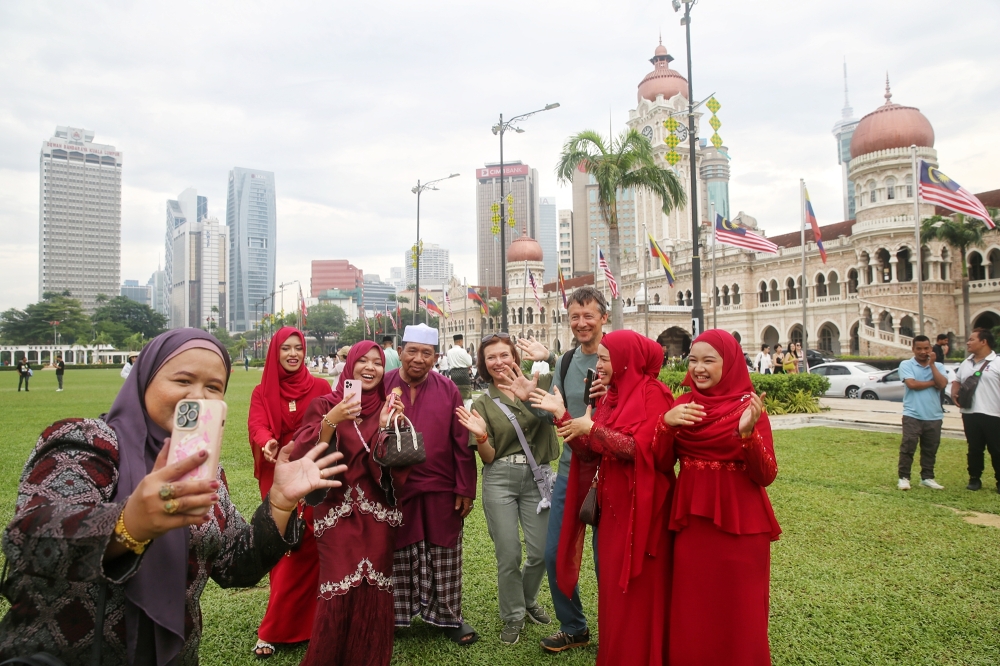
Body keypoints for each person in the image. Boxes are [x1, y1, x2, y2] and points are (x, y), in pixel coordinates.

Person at [0, 329, 347, 665]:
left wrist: (279, 504)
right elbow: (30, 538)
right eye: (183, 381)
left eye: (214, 387)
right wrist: (129, 523)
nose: (199, 396)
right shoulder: (89, 442)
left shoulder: (205, 473)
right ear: (144, 379)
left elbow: (237, 567)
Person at [533, 330, 674, 666]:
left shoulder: (655, 395)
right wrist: (562, 416)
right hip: (612, 504)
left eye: (605, 358)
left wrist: (592, 429)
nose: (599, 364)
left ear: (627, 360)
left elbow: (645, 450)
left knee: (638, 588)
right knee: (613, 587)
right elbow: (590, 451)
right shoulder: (610, 396)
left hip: (643, 505)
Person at [656, 329, 780, 665]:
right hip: (693, 524)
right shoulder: (682, 406)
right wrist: (665, 425)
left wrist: (747, 434)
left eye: (709, 360)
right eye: (693, 360)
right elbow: (663, 463)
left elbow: (766, 474)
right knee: (694, 605)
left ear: (731, 363)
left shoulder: (749, 408)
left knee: (740, 608)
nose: (698, 368)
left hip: (742, 525)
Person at [291, 340, 409, 666]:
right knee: (337, 584)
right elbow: (304, 456)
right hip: (335, 511)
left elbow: (394, 467)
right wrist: (332, 419)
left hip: (378, 515)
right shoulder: (324, 404)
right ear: (350, 365)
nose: (370, 368)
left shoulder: (388, 406)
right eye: (363, 361)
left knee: (374, 589)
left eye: (378, 362)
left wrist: (387, 426)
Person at [518, 286, 607, 653]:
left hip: (609, 472)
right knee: (554, 553)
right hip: (571, 469)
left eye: (589, 315)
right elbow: (553, 410)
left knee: (608, 563)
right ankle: (574, 627)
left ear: (604, 317)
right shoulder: (566, 362)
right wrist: (531, 396)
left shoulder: (615, 360)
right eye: (575, 316)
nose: (581, 323)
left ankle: (618, 629)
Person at [456, 334, 557, 645]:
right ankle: (513, 615)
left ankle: (527, 599)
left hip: (538, 476)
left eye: (504, 355)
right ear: (483, 364)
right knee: (509, 553)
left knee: (541, 552)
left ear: (515, 355)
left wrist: (549, 358)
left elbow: (566, 388)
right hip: (500, 477)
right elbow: (487, 458)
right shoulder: (482, 402)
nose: (498, 362)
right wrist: (483, 437)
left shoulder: (540, 383)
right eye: (491, 357)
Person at [385, 324, 479, 645]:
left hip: (441, 487)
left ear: (436, 357)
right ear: (400, 352)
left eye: (427, 353)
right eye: (412, 351)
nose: (418, 359)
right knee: (399, 552)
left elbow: (461, 442)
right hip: (397, 490)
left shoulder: (448, 389)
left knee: (445, 551)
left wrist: (466, 487)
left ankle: (451, 618)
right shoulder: (383, 386)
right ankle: (395, 617)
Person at [247, 327, 333, 657]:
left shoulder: (321, 387)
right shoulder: (262, 390)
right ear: (275, 353)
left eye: (298, 347)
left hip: (311, 475)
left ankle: (307, 623)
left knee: (308, 547)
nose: (293, 353)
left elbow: (331, 423)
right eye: (286, 349)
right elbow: (258, 423)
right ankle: (273, 628)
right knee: (280, 546)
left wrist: (301, 443)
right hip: (278, 477)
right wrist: (267, 441)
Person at [896, 335, 949, 491]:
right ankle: (904, 477)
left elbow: (943, 384)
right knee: (908, 446)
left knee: (930, 448)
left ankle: (927, 477)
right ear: (913, 349)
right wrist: (933, 383)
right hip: (913, 413)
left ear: (931, 349)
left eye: (926, 348)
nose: (922, 351)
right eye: (918, 348)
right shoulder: (906, 364)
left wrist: (932, 365)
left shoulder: (938, 366)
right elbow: (912, 384)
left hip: (934, 415)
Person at [952, 328, 1000, 493]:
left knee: (997, 449)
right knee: (974, 448)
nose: (968, 342)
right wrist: (954, 393)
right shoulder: (966, 362)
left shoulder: (997, 362)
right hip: (970, 414)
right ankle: (974, 478)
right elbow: (957, 380)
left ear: (983, 342)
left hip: (994, 414)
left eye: (972, 339)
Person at [447, 334, 475, 409]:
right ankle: (467, 413)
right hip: (463, 374)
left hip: (454, 374)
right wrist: (468, 355)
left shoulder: (449, 352)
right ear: (460, 341)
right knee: (467, 397)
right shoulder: (462, 351)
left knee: (456, 394)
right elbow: (469, 363)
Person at [933, 333, 950, 406]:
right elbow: (937, 360)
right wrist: (945, 352)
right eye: (945, 340)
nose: (946, 342)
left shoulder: (939, 348)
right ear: (940, 340)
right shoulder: (935, 348)